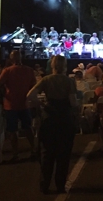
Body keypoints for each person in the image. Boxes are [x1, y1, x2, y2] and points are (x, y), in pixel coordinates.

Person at [27, 56, 78, 194]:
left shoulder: (46, 80)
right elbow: (73, 102)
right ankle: (60, 185)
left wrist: (42, 104)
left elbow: (30, 95)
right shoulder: (69, 81)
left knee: (47, 153)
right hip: (65, 118)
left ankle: (44, 185)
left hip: (49, 118)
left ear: (52, 66)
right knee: (64, 153)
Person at [0, 50, 37, 162]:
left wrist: (4, 94)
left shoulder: (7, 71)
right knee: (28, 128)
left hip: (10, 104)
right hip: (24, 103)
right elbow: (34, 86)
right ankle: (33, 150)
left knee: (12, 130)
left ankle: (16, 153)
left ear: (11, 59)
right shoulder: (29, 70)